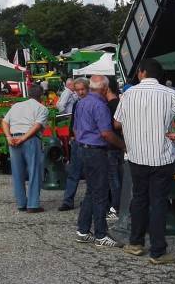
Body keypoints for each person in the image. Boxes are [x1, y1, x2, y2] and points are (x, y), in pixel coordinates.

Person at [115, 58, 175, 265]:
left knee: (139, 199)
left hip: (136, 155)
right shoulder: (168, 93)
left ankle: (135, 243)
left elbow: (116, 123)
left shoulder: (128, 94)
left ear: (142, 72)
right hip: (161, 157)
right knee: (158, 202)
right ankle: (158, 251)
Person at [72, 75, 126, 246]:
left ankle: (82, 230)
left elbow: (75, 126)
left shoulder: (81, 102)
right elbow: (106, 133)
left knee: (91, 191)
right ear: (104, 88)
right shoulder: (100, 105)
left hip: (83, 148)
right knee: (101, 193)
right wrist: (123, 145)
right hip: (96, 151)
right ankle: (101, 234)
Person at [1, 83, 49, 213]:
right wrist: (24, 138)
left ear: (28, 94)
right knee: (34, 172)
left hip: (13, 139)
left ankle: (21, 203)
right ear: (41, 95)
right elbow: (37, 126)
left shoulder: (16, 106)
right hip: (30, 140)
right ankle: (33, 205)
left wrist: (8, 137)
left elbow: (4, 122)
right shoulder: (42, 108)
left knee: (17, 173)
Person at [58, 78, 89, 212]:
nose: (81, 92)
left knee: (90, 173)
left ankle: (88, 200)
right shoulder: (76, 103)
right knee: (73, 172)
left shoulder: (94, 102)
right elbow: (73, 120)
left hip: (89, 142)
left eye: (83, 89)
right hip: (77, 141)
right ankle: (68, 201)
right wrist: (71, 135)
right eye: (78, 90)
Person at [101, 77, 125, 220]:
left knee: (113, 179)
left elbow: (115, 125)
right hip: (119, 144)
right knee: (118, 177)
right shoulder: (120, 103)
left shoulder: (110, 105)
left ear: (107, 88)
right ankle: (118, 205)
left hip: (112, 145)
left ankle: (116, 208)